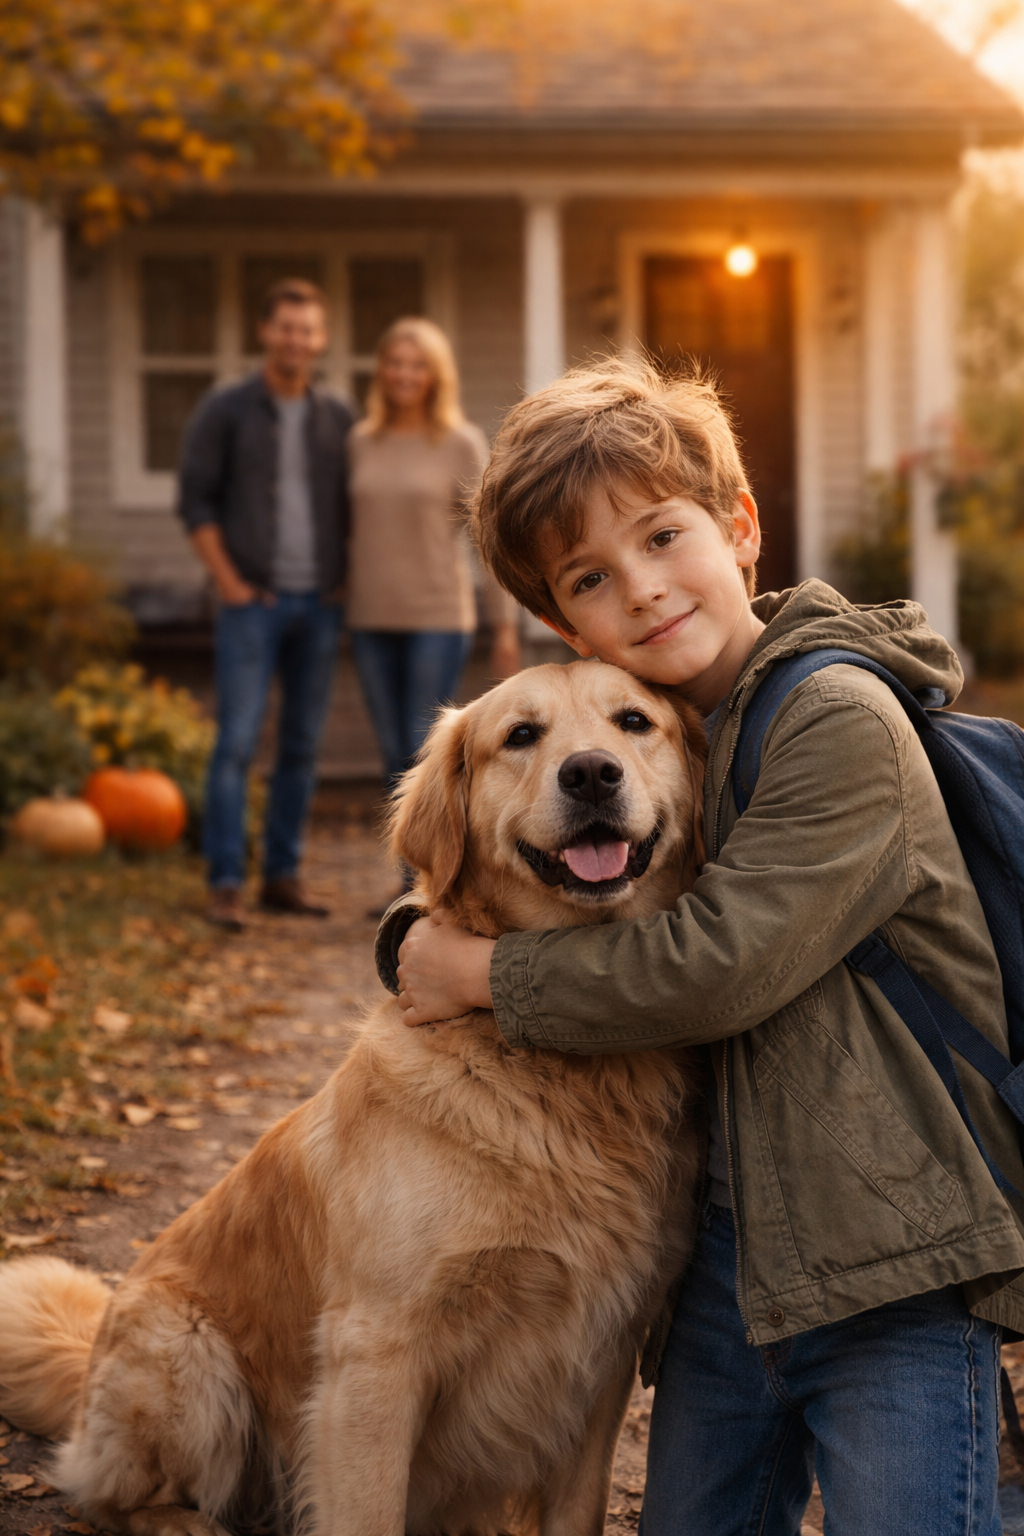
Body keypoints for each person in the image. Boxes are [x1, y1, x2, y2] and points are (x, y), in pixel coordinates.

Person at [386, 359, 1024, 1536]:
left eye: (662, 536)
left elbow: (711, 962)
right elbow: (537, 854)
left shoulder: (836, 716)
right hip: (731, 1269)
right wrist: (412, 930)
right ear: (559, 620)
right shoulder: (659, 724)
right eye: (591, 577)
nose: (640, 589)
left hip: (898, 1264)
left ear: (740, 528)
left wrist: (477, 974)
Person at [178, 278, 354, 931]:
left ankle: (281, 874)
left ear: (322, 339)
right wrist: (227, 580)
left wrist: (345, 575)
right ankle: (226, 880)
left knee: (302, 746)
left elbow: (354, 506)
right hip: (250, 603)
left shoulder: (338, 418)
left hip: (320, 604)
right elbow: (195, 501)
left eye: (307, 329)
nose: (296, 340)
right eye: (285, 327)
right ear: (264, 332)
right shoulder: (225, 410)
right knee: (237, 741)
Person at [346, 316, 521, 810]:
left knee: (417, 752)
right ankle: (409, 878)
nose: (404, 374)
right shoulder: (360, 441)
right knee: (389, 755)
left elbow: (489, 541)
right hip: (368, 618)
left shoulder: (459, 442)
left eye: (417, 365)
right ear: (381, 371)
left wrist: (504, 629)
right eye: (395, 363)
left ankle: (418, 884)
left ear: (435, 374)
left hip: (437, 619)